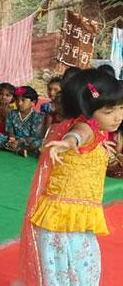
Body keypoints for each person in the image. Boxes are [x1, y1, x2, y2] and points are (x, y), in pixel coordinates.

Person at [18, 69, 123, 285]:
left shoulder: (98, 130)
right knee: (68, 272)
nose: (118, 116)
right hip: (62, 219)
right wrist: (68, 142)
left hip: (76, 216)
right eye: (109, 111)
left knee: (83, 268)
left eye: (121, 108)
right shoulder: (84, 127)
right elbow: (77, 135)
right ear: (87, 109)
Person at [0, 86, 44, 156]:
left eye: (23, 100)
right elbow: (10, 130)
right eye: (17, 100)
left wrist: (19, 141)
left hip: (27, 141)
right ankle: (18, 150)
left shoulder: (37, 117)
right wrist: (12, 140)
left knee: (38, 142)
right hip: (14, 139)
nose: (19, 103)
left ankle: (23, 149)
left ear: (33, 102)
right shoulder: (11, 114)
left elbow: (35, 136)